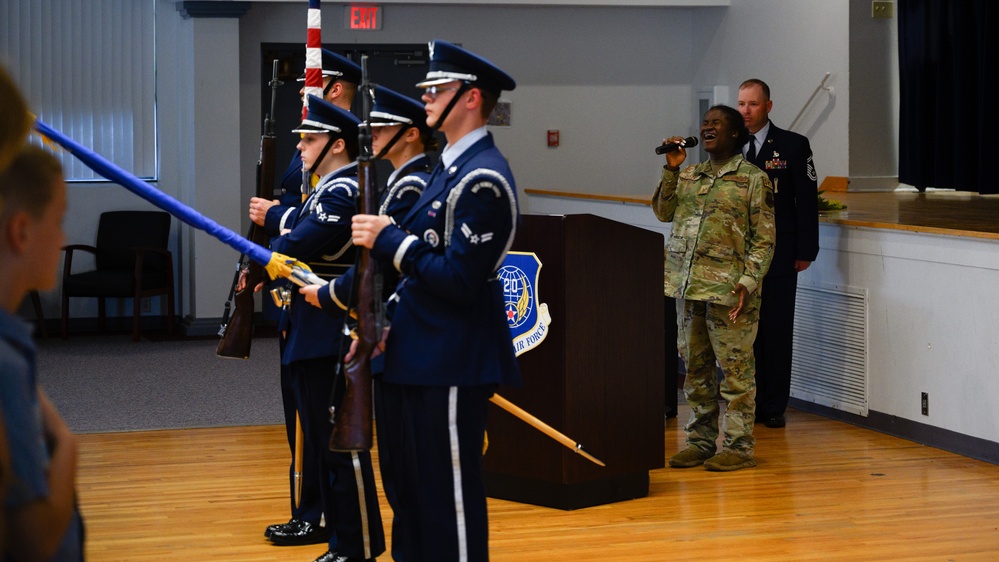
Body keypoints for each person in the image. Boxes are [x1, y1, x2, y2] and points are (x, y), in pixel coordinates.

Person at [302, 39, 521, 560]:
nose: (425, 97)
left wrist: (391, 240)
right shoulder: (448, 169)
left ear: (471, 98)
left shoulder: (483, 177)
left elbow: (459, 280)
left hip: (452, 359)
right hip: (418, 353)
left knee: (450, 507)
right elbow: (420, 278)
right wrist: (384, 327)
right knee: (416, 500)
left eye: (436, 89)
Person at [254, 95, 384, 562]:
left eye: (310, 140)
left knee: (338, 444)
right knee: (319, 440)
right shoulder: (321, 188)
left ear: (337, 145)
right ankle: (338, 538)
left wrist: (274, 231)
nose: (302, 149)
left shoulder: (343, 189)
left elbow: (301, 241)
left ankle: (357, 544)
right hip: (309, 322)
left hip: (331, 326)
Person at [652, 104, 775, 472]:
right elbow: (662, 211)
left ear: (735, 133)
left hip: (730, 293)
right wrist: (671, 168)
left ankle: (738, 446)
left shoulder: (753, 179)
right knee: (696, 370)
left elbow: (764, 240)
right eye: (705, 123)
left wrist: (748, 281)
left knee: (736, 372)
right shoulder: (689, 175)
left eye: (716, 124)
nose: (707, 128)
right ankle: (701, 442)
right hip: (689, 289)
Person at [1, 145, 85, 560]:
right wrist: (68, 444)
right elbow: (34, 539)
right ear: (21, 231)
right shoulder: (6, 365)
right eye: (59, 219)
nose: (63, 237)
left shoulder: (13, 350)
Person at [737, 78, 820, 429]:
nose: (745, 111)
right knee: (741, 333)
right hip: (738, 255)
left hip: (779, 253)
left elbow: (806, 202)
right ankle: (743, 403)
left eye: (753, 104)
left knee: (775, 330)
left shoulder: (792, 145)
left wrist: (806, 249)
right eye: (741, 104)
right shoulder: (729, 145)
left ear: (768, 106)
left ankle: (772, 405)